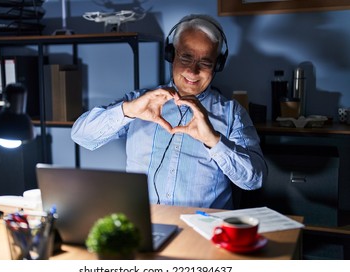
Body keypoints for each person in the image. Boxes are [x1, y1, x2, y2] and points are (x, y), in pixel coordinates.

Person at [71, 14, 267, 209]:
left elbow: (254, 180)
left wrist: (213, 140)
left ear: (217, 65)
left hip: (203, 232)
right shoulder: (140, 102)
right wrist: (128, 110)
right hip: (147, 226)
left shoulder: (233, 114)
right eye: (186, 57)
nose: (192, 71)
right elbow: (81, 136)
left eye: (205, 62)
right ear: (171, 55)